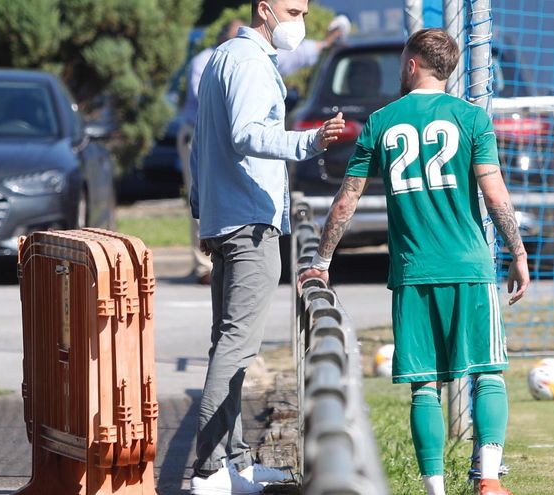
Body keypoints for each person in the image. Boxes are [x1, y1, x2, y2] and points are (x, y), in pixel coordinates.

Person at [298, 29, 531, 495]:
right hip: (470, 267)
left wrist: (322, 260)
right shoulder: (472, 118)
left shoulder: (382, 122)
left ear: (411, 64)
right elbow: (494, 193)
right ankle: (487, 478)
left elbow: (346, 200)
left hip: (412, 271)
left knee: (424, 386)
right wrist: (518, 253)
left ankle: (434, 490)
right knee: (487, 373)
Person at [188, 0, 346, 493]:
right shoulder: (251, 62)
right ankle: (211, 470)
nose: (300, 22)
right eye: (293, 11)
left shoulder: (221, 57)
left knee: (227, 343)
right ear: (265, 10)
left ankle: (234, 461)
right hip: (249, 221)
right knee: (237, 347)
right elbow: (245, 134)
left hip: (225, 217)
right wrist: (309, 142)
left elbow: (200, 144)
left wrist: (202, 207)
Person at [178, 18, 246, 284]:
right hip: (198, 134)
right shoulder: (205, 61)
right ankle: (203, 265)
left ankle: (224, 255)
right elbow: (207, 96)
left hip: (225, 136)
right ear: (222, 37)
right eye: (234, 36)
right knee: (200, 193)